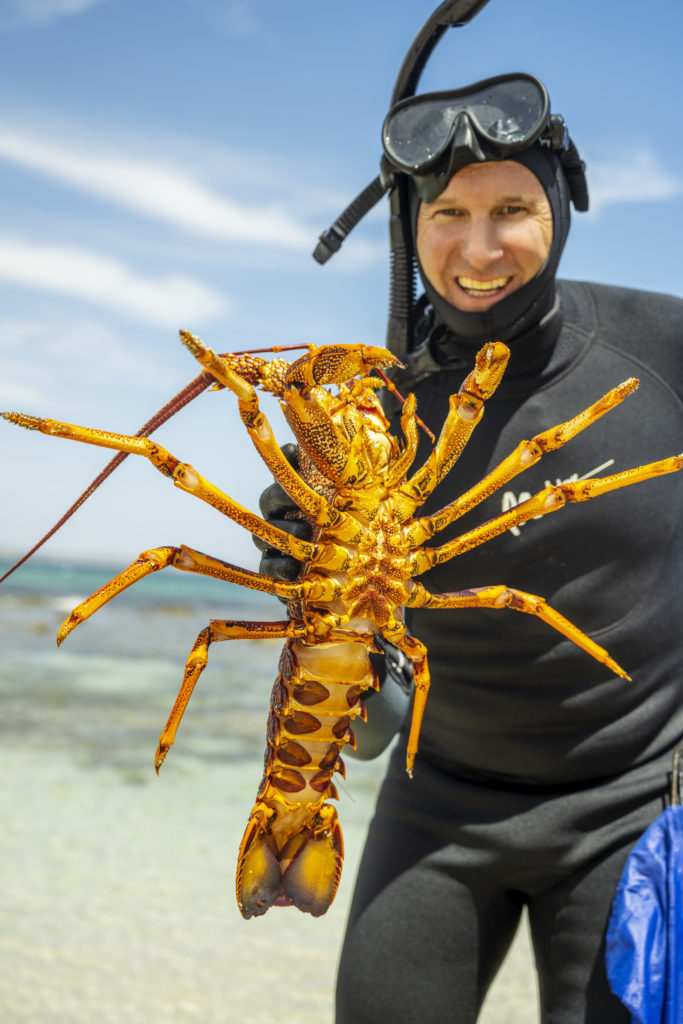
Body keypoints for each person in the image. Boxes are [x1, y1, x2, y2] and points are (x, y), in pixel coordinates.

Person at [256, 73, 683, 1023]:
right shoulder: (360, 413)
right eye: (445, 211)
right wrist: (291, 572)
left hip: (630, 804)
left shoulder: (661, 344)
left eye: (512, 209)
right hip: (432, 805)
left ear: (560, 211)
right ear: (408, 226)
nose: (478, 248)